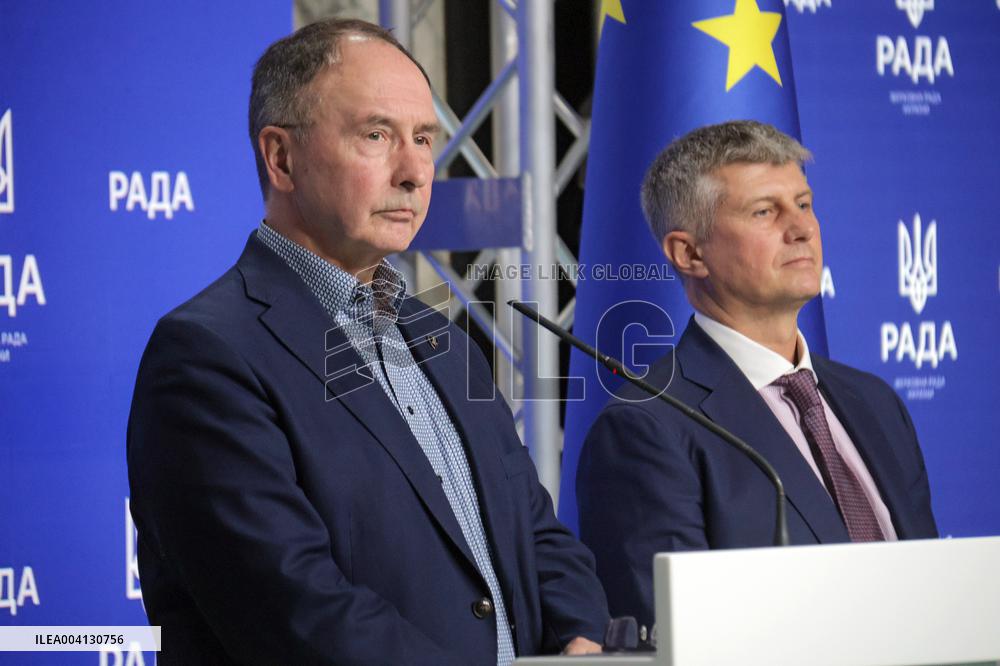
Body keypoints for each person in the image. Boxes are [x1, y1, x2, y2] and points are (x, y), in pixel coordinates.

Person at [127, 18, 608, 665]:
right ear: (282, 157)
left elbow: (537, 535)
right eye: (376, 135)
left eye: (424, 138)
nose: (415, 172)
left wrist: (581, 637)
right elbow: (295, 610)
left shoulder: (442, 340)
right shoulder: (206, 357)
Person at [576, 120, 938, 630]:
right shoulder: (648, 429)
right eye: (765, 211)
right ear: (690, 253)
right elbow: (677, 640)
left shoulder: (874, 403)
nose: (802, 228)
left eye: (804, 203)